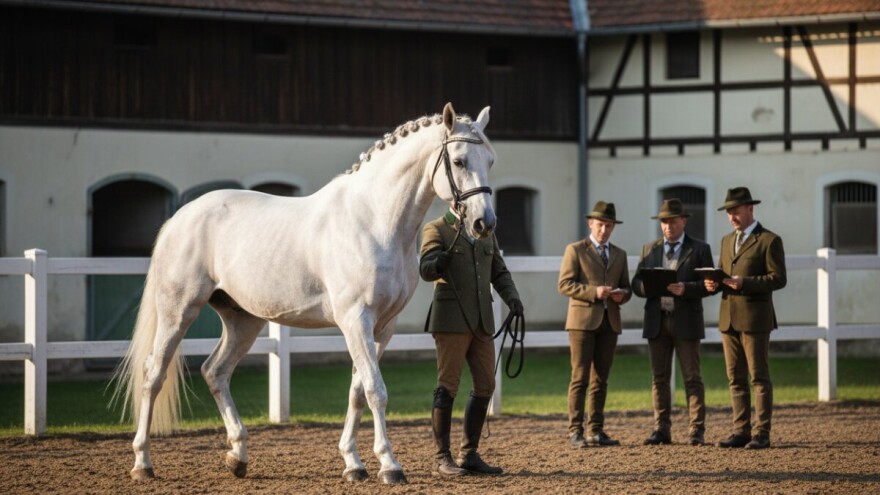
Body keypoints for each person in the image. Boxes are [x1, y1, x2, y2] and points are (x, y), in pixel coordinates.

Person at [419, 208, 523, 476]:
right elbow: (425, 269)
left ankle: (469, 454)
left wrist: (512, 297)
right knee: (447, 387)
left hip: (481, 321)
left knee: (486, 384)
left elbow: (498, 271)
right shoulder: (436, 228)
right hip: (451, 320)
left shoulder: (486, 230)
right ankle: (441, 458)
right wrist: (436, 264)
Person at [704, 187, 786, 450]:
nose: (732, 217)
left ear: (750, 209)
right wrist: (713, 284)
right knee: (735, 378)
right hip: (728, 318)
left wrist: (745, 283)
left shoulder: (769, 240)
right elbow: (727, 276)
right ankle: (741, 430)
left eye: (735, 211)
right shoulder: (727, 241)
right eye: (729, 212)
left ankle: (762, 433)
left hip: (755, 319)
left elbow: (778, 278)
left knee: (758, 377)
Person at [631, 198, 714, 446]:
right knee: (659, 377)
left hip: (686, 320)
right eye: (664, 222)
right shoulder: (649, 249)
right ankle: (661, 429)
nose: (668, 226)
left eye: (672, 222)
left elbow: (710, 285)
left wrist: (685, 289)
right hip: (657, 320)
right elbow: (636, 283)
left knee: (692, 377)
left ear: (683, 221)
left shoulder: (700, 249)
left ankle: (696, 430)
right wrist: (649, 286)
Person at [558, 201, 631, 448]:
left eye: (608, 226)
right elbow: (564, 284)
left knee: (601, 378)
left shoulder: (619, 254)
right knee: (580, 377)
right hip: (582, 322)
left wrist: (623, 294)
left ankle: (596, 430)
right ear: (591, 223)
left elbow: (627, 286)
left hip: (610, 321)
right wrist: (594, 292)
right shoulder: (576, 250)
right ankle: (575, 430)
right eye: (600, 225)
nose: (604, 230)